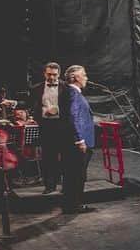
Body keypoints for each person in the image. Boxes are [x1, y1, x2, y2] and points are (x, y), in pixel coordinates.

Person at [62, 65, 96, 215]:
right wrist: (79, 140)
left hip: (75, 141)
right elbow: (73, 117)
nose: (86, 78)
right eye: (84, 75)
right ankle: (74, 205)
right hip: (78, 143)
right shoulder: (73, 94)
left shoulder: (70, 93)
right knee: (77, 174)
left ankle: (71, 204)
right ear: (76, 78)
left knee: (73, 174)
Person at [28, 62, 66, 194]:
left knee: (65, 155)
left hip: (62, 126)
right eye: (49, 74)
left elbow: (70, 106)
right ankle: (49, 185)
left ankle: (64, 184)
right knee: (48, 156)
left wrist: (58, 111)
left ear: (59, 74)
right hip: (46, 125)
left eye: (54, 75)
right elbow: (31, 105)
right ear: (44, 73)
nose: (51, 77)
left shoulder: (65, 87)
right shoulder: (36, 88)